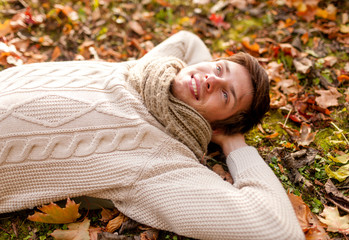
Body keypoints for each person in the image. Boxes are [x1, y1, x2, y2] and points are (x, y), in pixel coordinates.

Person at [0, 31, 304, 240]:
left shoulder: (162, 164)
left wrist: (236, 145)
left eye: (226, 95)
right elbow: (189, 40)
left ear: (219, 126)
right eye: (219, 67)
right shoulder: (149, 69)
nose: (210, 79)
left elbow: (278, 229)